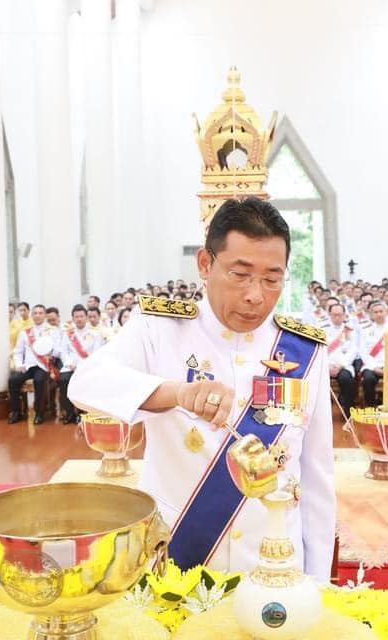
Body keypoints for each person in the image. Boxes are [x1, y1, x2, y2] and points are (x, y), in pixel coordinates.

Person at [67, 197, 335, 582]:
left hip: (273, 564)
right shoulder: (159, 329)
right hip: (178, 559)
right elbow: (85, 383)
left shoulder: (305, 350)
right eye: (240, 274)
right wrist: (175, 393)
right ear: (205, 265)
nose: (256, 295)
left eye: (272, 279)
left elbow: (317, 476)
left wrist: (318, 584)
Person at [8, 304, 61, 424]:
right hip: (28, 366)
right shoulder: (25, 332)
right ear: (32, 315)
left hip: (44, 366)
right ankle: (16, 412)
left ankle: (39, 413)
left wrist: (51, 352)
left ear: (45, 315)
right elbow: (18, 351)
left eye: (40, 313)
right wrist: (19, 364)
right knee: (13, 380)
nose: (37, 315)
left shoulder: (52, 331)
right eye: (35, 313)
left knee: (40, 380)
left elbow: (58, 351)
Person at [358, 300, 388, 407]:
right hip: (371, 365)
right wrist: (374, 367)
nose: (378, 314)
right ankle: (371, 409)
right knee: (368, 379)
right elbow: (363, 351)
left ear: (386, 312)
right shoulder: (365, 329)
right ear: (371, 314)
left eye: (380, 311)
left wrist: (387, 366)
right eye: (375, 312)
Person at [324, 302, 358, 415]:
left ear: (344, 315)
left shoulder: (350, 331)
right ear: (330, 315)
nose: (337, 317)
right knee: (319, 379)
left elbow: (353, 351)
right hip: (325, 365)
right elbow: (320, 350)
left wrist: (340, 365)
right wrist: (328, 365)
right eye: (334, 315)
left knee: (346, 379)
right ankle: (323, 413)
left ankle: (348, 412)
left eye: (339, 314)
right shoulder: (322, 330)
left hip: (343, 365)